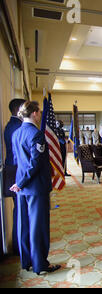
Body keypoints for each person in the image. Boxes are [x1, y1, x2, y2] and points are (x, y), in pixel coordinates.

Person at [9, 101, 61, 275]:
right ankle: (40, 265)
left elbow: (18, 162)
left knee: (24, 225)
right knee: (38, 227)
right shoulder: (36, 134)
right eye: (39, 112)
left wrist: (19, 183)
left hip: (21, 187)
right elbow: (35, 163)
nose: (40, 115)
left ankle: (27, 262)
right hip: (35, 187)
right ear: (34, 113)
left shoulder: (16, 133)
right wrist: (22, 183)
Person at [3, 98, 26, 255]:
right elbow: (19, 155)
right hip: (17, 172)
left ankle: (21, 243)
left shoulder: (12, 125)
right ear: (19, 110)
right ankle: (20, 246)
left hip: (15, 170)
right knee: (20, 210)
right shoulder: (16, 127)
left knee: (21, 209)